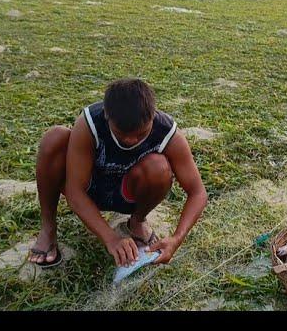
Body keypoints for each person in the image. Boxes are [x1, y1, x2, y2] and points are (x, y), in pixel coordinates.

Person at [27, 78, 207, 268]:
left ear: (152, 117)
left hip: (127, 193)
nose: (130, 140)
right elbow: (75, 191)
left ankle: (138, 222)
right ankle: (48, 228)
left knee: (158, 167)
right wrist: (111, 239)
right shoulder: (90, 122)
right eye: (121, 133)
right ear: (107, 115)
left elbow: (198, 192)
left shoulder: (166, 131)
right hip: (89, 188)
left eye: (140, 134)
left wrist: (177, 238)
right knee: (54, 138)